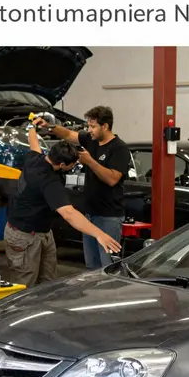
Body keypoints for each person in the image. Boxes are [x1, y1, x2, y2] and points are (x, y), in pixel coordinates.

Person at [3, 124, 122, 288]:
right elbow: (69, 213)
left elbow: (34, 143)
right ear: (61, 165)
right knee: (24, 286)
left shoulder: (35, 158)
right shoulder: (49, 182)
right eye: (73, 164)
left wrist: (32, 126)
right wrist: (99, 234)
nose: (74, 166)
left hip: (43, 232)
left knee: (48, 284)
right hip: (23, 236)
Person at [34, 105, 131, 270]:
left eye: (93, 126)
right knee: (91, 265)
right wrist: (49, 126)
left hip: (109, 217)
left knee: (108, 266)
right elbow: (68, 135)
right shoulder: (91, 139)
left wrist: (90, 162)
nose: (89, 130)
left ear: (105, 126)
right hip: (89, 215)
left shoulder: (119, 148)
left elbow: (112, 179)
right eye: (88, 126)